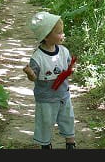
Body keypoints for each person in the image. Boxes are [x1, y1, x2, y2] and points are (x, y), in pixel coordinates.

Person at [23, 11, 76, 150]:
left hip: (63, 95)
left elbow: (68, 66)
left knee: (68, 119)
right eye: (59, 32)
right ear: (46, 36)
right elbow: (34, 77)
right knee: (45, 122)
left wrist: (71, 70)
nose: (62, 35)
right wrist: (30, 73)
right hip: (46, 98)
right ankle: (45, 144)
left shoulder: (63, 51)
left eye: (62, 31)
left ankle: (70, 142)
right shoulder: (38, 57)